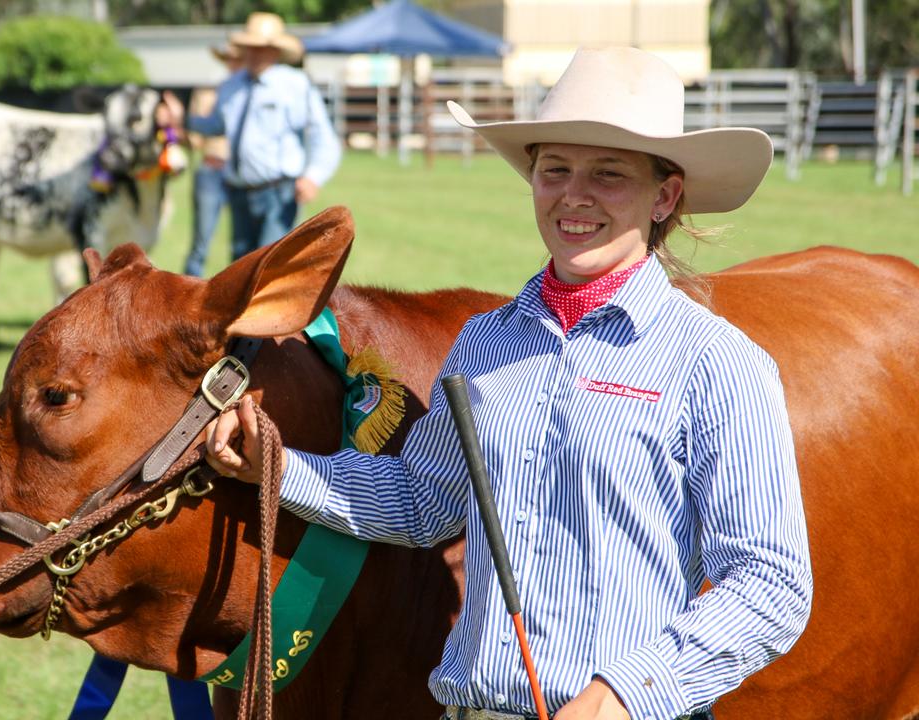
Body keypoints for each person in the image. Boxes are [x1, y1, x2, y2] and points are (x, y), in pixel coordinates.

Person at [205, 47, 813, 720]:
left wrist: (624, 693)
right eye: (555, 170)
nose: (573, 196)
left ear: (664, 195)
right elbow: (420, 500)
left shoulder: (718, 362)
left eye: (608, 174)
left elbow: (771, 583)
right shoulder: (486, 341)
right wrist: (277, 468)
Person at [169, 12, 342, 261]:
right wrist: (183, 120)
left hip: (277, 193)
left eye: (261, 49)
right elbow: (218, 125)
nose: (253, 54)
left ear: (275, 51)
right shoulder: (232, 85)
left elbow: (323, 137)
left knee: (267, 268)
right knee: (241, 268)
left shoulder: (295, 85)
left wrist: (313, 177)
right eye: (249, 48)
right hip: (239, 192)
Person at [183, 44, 244, 277]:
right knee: (201, 242)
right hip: (212, 167)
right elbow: (195, 137)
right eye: (231, 58)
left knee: (242, 245)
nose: (234, 63)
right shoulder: (209, 91)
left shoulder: (249, 90)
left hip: (242, 173)